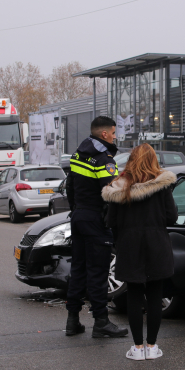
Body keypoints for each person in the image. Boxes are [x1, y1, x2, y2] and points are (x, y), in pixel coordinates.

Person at [102, 144, 178, 360]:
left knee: (134, 295)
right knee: (155, 295)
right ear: (154, 160)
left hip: (129, 245)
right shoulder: (162, 186)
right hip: (157, 244)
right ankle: (152, 347)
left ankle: (137, 348)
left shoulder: (118, 187)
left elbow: (111, 221)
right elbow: (171, 217)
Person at [64, 116, 128, 339]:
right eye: (113, 132)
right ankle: (101, 322)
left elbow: (69, 186)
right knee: (98, 272)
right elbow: (112, 194)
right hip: (95, 221)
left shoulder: (78, 154)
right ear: (104, 135)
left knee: (78, 269)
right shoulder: (103, 159)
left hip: (79, 217)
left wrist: (76, 210)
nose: (115, 136)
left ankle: (72, 320)